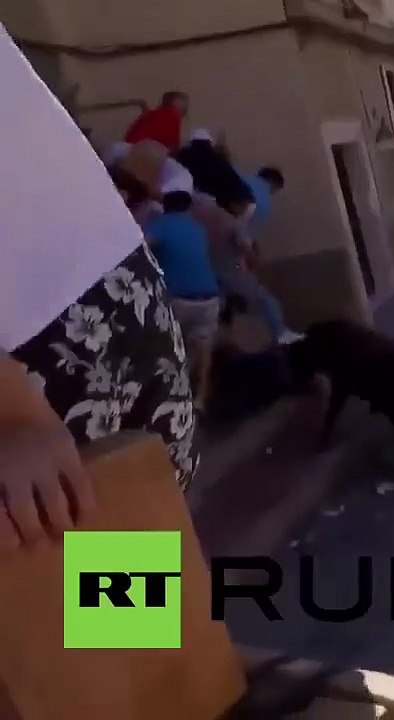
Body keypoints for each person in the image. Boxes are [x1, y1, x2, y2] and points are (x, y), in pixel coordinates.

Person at [2, 22, 198, 552]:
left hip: (39, 343)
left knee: (109, 621)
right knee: (131, 620)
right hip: (82, 306)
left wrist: (9, 407)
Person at [143, 168, 221, 415]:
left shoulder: (159, 226)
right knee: (204, 349)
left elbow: (142, 249)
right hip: (209, 295)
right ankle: (201, 397)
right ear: (187, 207)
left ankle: (176, 398)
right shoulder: (197, 229)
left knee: (172, 349)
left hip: (178, 299)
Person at [123, 90, 188, 153]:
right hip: (140, 154)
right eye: (183, 101)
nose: (186, 106)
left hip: (130, 150)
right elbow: (172, 147)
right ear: (175, 102)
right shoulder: (170, 115)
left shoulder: (158, 113)